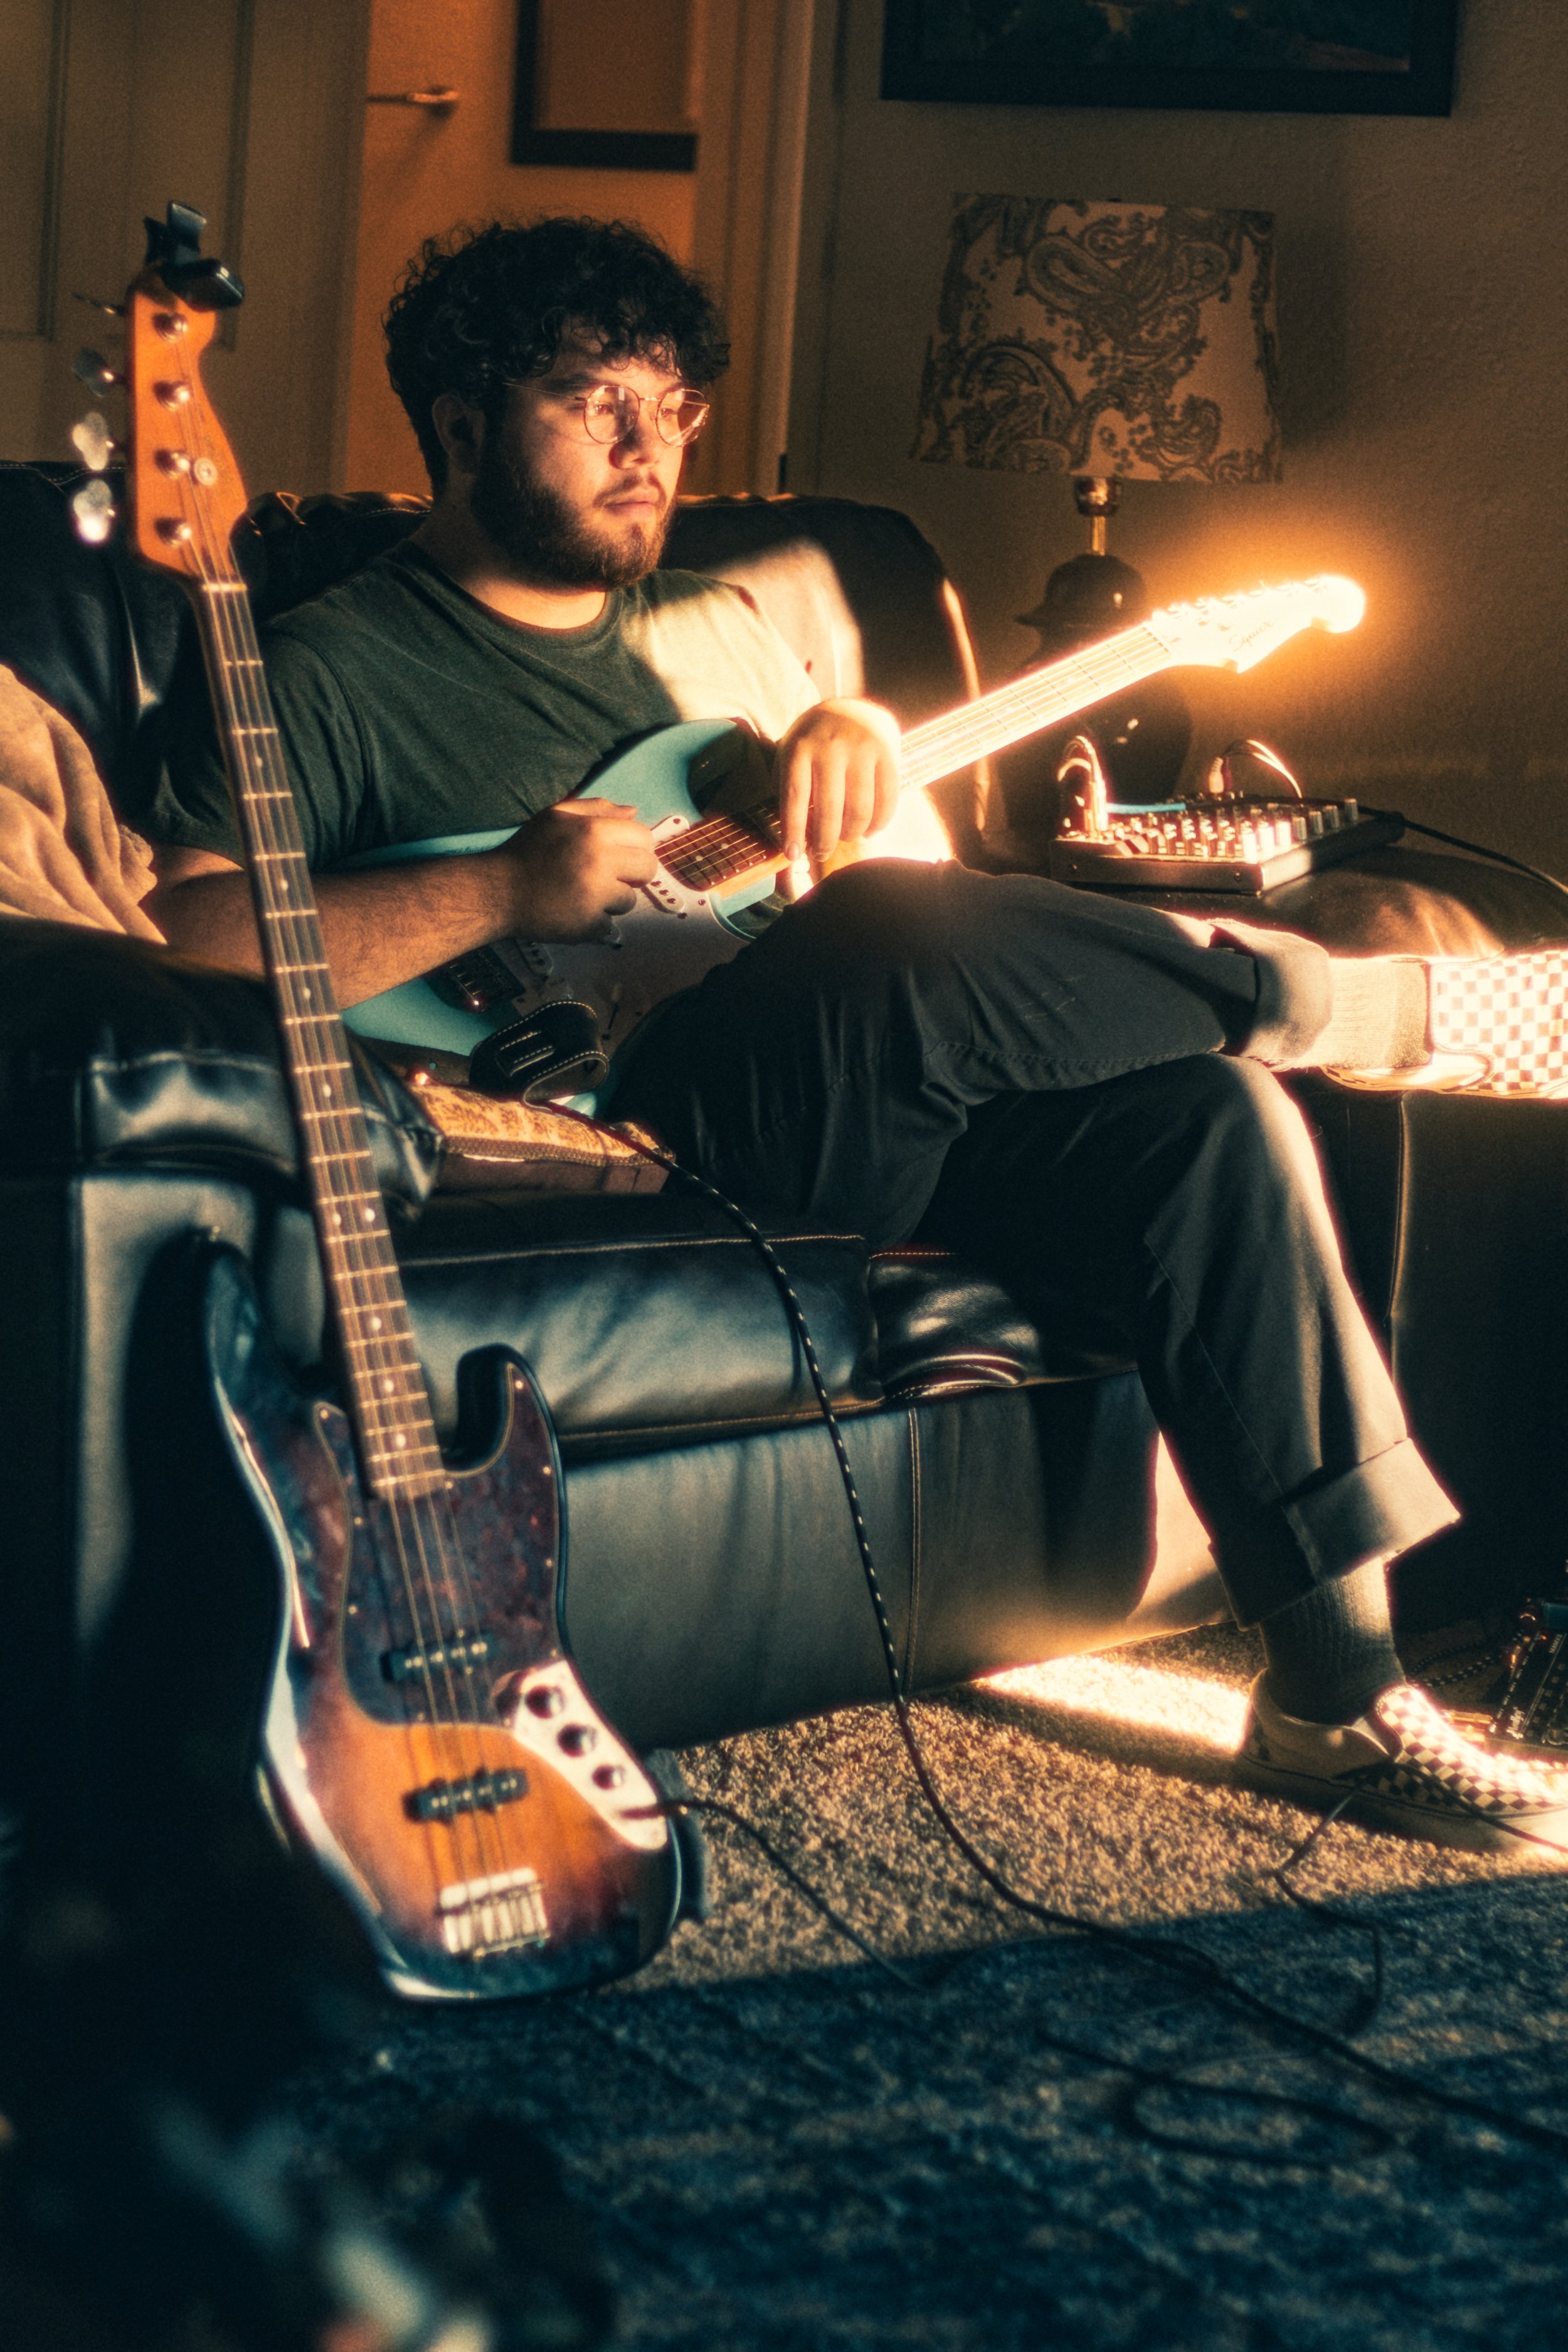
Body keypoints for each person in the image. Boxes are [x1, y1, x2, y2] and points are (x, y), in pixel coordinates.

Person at [147, 215, 1568, 1857]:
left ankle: (1334, 1691)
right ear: (461, 426)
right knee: (926, 953)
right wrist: (498, 888)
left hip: (855, 1106)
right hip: (633, 1138)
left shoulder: (731, 633)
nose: (647, 448)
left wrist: (861, 759)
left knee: (1199, 1116)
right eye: (590, 402)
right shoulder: (326, 667)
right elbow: (180, 934)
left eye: (673, 407)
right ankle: (1365, 1005)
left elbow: (937, 933)